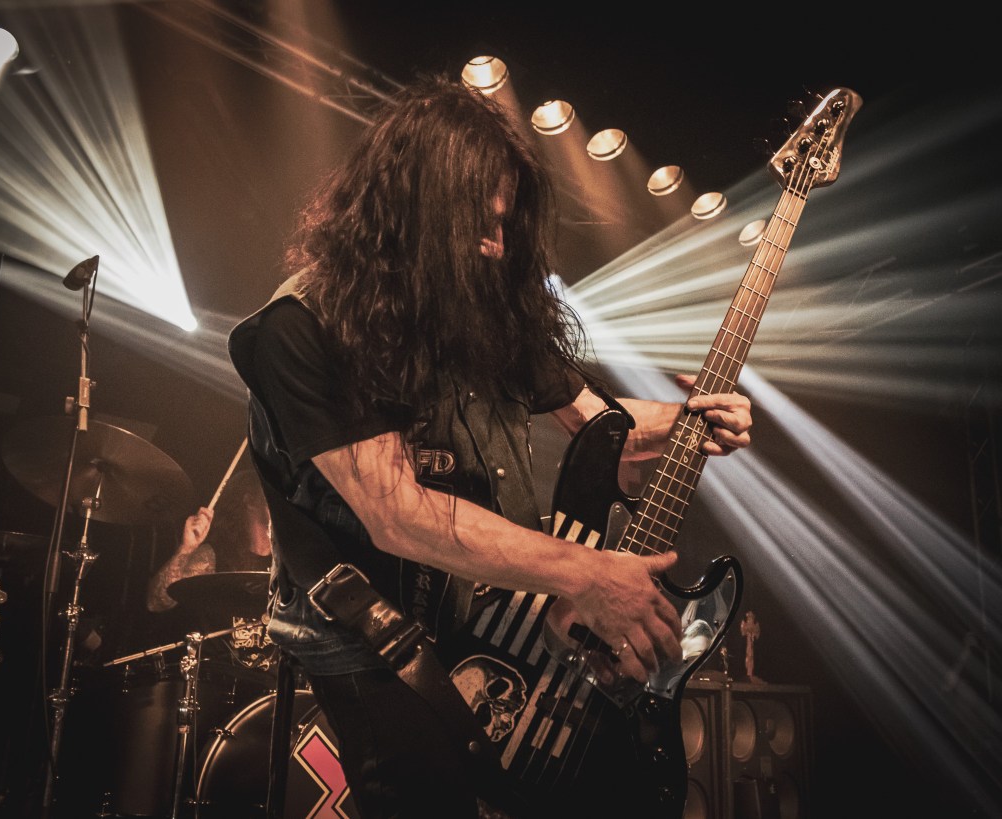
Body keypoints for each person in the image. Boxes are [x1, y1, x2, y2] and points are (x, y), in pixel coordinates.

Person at [228, 73, 752, 818]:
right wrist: (591, 574)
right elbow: (398, 516)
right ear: (414, 206)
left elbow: (598, 420)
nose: (497, 244)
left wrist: (694, 418)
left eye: (507, 224)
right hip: (360, 621)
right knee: (426, 793)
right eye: (481, 220)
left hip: (463, 598)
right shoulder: (302, 328)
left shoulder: (472, 308)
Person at [145, 469, 276, 671]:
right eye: (271, 490)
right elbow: (157, 602)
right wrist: (186, 549)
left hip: (272, 692)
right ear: (250, 501)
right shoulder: (213, 556)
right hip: (219, 684)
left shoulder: (287, 563)